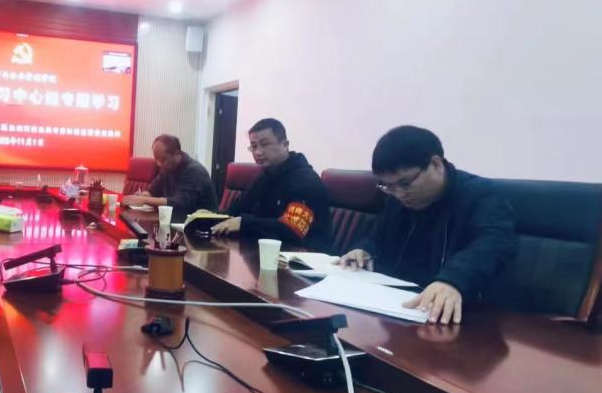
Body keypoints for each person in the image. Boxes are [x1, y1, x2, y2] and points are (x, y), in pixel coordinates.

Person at [338, 126, 517, 325]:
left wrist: (452, 280)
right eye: (388, 186)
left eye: (405, 183)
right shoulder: (398, 199)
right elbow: (379, 237)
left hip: (457, 316)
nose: (399, 194)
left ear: (436, 164)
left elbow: (495, 244)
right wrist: (364, 250)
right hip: (399, 309)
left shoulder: (481, 195)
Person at [212, 118, 331, 250]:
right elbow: (236, 210)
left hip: (305, 256)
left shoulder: (306, 181)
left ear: (285, 145)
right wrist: (208, 216)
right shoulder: (265, 176)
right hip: (267, 251)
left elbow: (292, 230)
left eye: (264, 144)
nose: (258, 152)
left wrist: (244, 223)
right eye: (254, 146)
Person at [123, 134, 218, 219]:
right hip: (176, 220)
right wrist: (144, 195)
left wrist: (144, 200)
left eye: (163, 160)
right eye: (156, 159)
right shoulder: (167, 168)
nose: (159, 164)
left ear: (177, 154)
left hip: (200, 225)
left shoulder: (195, 171)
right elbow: (153, 190)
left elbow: (180, 204)